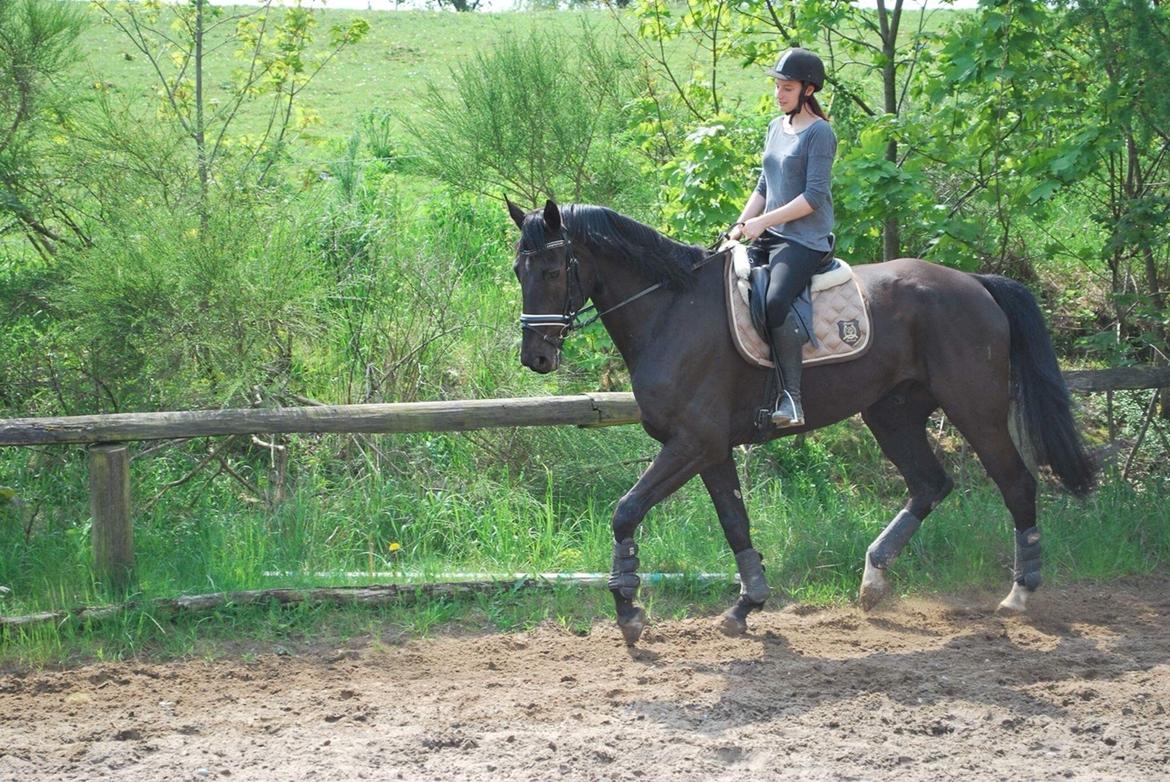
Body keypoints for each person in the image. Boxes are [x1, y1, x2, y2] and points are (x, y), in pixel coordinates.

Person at [728, 47, 837, 428]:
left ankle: (792, 398)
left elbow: (813, 197)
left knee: (774, 302)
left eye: (786, 87)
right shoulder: (776, 127)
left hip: (804, 240)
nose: (779, 94)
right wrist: (740, 225)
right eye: (777, 86)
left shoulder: (820, 134)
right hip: (769, 233)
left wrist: (764, 223)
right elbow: (764, 184)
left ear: (808, 91)